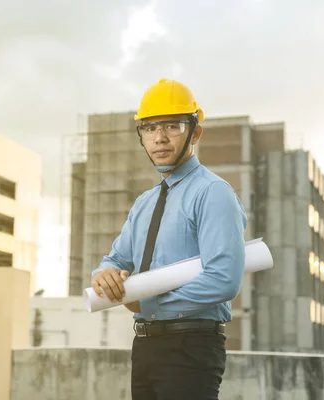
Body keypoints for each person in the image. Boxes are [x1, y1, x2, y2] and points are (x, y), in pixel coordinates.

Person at [90, 78, 247, 400]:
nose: (159, 138)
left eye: (172, 126)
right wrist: (102, 274)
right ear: (141, 136)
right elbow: (116, 259)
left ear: (195, 132)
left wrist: (147, 301)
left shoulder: (212, 193)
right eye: (149, 129)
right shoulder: (145, 202)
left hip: (191, 345)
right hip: (145, 343)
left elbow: (223, 280)